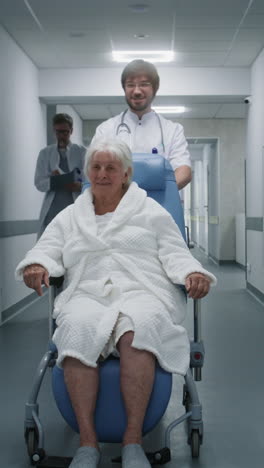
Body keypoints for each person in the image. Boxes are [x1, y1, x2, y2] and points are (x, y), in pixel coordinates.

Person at [16, 139, 216, 468]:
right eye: (96, 167)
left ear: (126, 173)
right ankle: (87, 444)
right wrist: (37, 265)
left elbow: (175, 253)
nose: (103, 173)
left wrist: (194, 273)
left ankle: (133, 443)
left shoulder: (152, 211)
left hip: (141, 290)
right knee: (77, 326)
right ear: (87, 173)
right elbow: (47, 248)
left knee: (138, 330)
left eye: (111, 168)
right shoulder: (71, 215)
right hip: (87, 292)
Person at [91, 59, 192, 190]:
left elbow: (184, 170)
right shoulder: (106, 129)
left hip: (159, 203)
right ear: (124, 89)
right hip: (116, 204)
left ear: (154, 88)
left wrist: (160, 191)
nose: (137, 91)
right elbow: (93, 168)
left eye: (144, 84)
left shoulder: (172, 130)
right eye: (130, 85)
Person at [35, 113, 86, 238]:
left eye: (65, 132)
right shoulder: (45, 153)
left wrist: (79, 185)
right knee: (50, 245)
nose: (61, 136)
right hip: (52, 210)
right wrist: (53, 180)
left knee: (75, 243)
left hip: (74, 208)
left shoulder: (81, 152)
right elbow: (39, 183)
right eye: (58, 132)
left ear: (71, 131)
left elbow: (90, 181)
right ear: (54, 131)